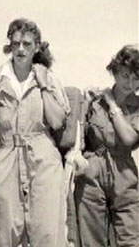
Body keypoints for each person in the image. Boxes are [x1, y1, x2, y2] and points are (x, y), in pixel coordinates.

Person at [0, 18, 70, 247]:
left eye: (27, 44)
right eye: (15, 43)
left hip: (43, 156)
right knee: (4, 227)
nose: (20, 49)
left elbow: (57, 121)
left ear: (37, 46)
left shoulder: (48, 78)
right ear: (10, 45)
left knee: (47, 230)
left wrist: (44, 83)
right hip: (6, 153)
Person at [74, 45, 139, 247]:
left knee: (131, 237)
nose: (129, 83)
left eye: (136, 78)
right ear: (114, 72)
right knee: (91, 239)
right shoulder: (93, 100)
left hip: (124, 173)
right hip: (92, 172)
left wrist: (112, 105)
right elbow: (78, 135)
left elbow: (129, 138)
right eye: (125, 75)